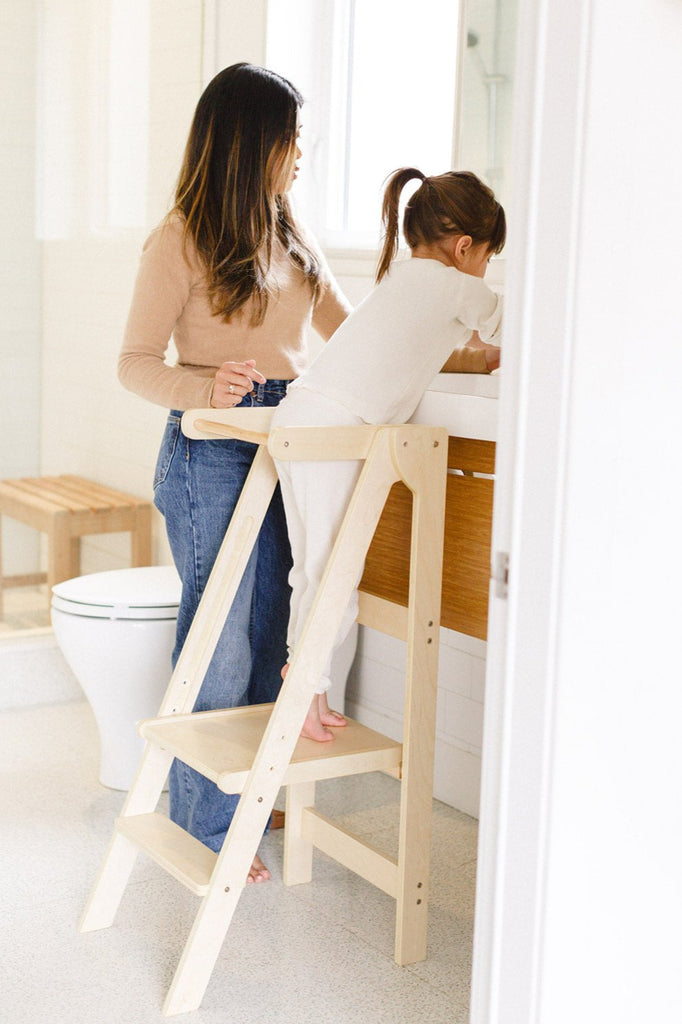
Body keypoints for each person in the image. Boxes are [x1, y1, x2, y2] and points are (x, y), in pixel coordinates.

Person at [118, 63, 352, 881]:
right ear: (255, 142)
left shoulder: (292, 233)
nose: (300, 156)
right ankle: (203, 826)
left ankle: (242, 799)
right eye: (291, 139)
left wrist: (456, 348)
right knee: (218, 646)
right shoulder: (178, 238)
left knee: (266, 641)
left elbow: (349, 338)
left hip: (288, 447)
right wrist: (204, 385)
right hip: (210, 449)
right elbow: (135, 365)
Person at [271, 167, 505, 741]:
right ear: (465, 246)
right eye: (487, 259)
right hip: (333, 427)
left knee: (312, 569)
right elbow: (521, 327)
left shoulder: (403, 280)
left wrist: (475, 357)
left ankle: (309, 689)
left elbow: (412, 352)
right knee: (337, 571)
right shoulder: (452, 283)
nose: (484, 272)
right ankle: (304, 687)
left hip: (299, 417)